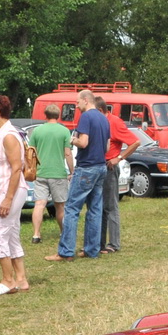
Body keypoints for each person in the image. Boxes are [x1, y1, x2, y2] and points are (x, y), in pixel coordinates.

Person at [52, 95, 110, 262]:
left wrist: (72, 140)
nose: (76, 106)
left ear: (85, 100)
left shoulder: (86, 117)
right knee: (95, 209)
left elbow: (83, 143)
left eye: (77, 102)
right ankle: (92, 250)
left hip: (86, 167)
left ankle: (66, 251)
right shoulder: (104, 118)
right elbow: (107, 147)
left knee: (71, 208)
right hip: (101, 166)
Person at [0, 95, 30, 292]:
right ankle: (21, 279)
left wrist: (8, 199)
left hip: (13, 191)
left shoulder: (9, 136)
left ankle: (8, 281)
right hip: (3, 189)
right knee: (10, 234)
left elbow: (16, 168)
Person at [97, 95, 141, 253]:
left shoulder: (114, 122)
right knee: (99, 206)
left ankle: (113, 243)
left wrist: (119, 157)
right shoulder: (99, 122)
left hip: (109, 167)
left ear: (100, 110)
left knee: (110, 206)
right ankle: (99, 243)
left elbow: (135, 142)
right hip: (97, 167)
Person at [26, 103, 73, 244]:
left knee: (39, 204)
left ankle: (36, 234)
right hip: (58, 173)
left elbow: (31, 152)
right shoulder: (64, 131)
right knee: (60, 206)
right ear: (58, 115)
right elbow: (68, 153)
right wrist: (72, 171)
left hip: (41, 173)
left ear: (45, 115)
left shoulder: (37, 131)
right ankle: (63, 232)